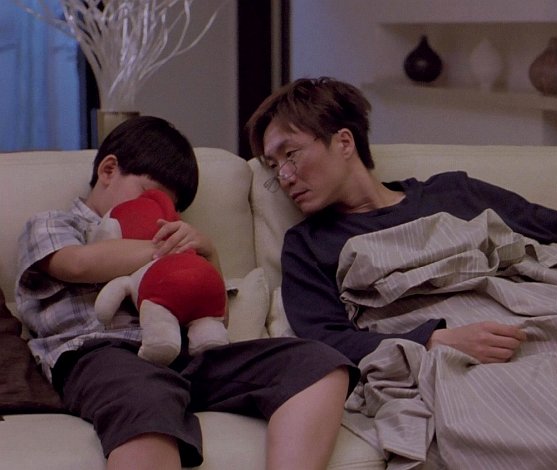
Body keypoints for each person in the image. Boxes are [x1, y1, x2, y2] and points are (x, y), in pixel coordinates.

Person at [245, 77, 557, 366]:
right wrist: (435, 342)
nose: (284, 176)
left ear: (344, 142)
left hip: (541, 320)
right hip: (470, 359)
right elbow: (326, 341)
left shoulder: (452, 192)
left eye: (291, 154)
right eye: (273, 166)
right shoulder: (308, 244)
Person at [15, 116, 358, 470]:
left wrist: (209, 258)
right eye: (149, 196)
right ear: (108, 170)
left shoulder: (171, 236)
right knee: (146, 397)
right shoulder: (55, 223)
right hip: (100, 354)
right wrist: (164, 250)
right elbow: (77, 264)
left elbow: (213, 318)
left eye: (170, 207)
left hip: (184, 356)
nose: (160, 213)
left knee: (319, 363)